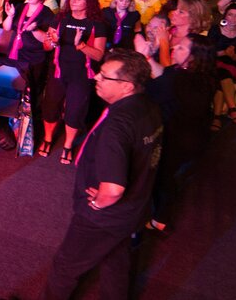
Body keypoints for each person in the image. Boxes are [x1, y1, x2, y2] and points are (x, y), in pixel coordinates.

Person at [43, 49, 162, 300]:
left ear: (127, 86)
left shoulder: (117, 126)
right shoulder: (148, 106)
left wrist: (98, 202)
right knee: (115, 262)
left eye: (105, 76)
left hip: (104, 217)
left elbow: (114, 189)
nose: (96, 77)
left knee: (65, 268)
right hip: (134, 209)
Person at [144, 34, 216, 233]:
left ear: (193, 57)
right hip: (189, 137)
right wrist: (149, 58)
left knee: (164, 178)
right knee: (166, 177)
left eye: (182, 48)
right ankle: (160, 216)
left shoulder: (181, 80)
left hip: (178, 139)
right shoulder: (199, 77)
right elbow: (164, 74)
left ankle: (160, 220)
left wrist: (146, 60)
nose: (175, 47)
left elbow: (155, 88)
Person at [40, 0, 107, 164]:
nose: (73, 1)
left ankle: (68, 145)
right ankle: (47, 139)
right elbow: (46, 46)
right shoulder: (61, 18)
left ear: (89, 3)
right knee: (50, 106)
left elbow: (99, 55)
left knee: (74, 111)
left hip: (82, 75)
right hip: (58, 71)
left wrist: (82, 45)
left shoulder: (96, 24)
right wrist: (52, 42)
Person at [2, 0, 55, 124]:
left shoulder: (47, 13)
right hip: (15, 54)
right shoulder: (20, 7)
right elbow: (6, 28)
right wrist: (11, 15)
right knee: (12, 87)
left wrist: (35, 30)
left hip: (34, 59)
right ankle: (11, 121)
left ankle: (30, 125)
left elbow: (48, 40)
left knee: (32, 91)